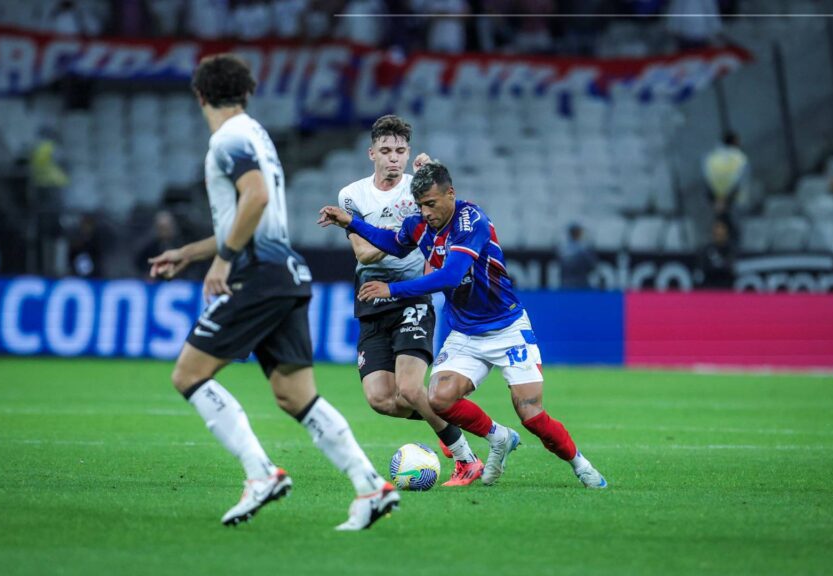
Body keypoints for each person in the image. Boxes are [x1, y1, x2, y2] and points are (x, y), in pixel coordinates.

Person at [148, 54, 397, 530]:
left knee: (188, 374)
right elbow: (253, 214)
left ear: (200, 95)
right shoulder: (257, 134)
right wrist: (193, 252)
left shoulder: (228, 137)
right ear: (246, 92)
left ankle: (260, 474)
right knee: (294, 395)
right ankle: (370, 486)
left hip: (256, 276)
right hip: (284, 273)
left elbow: (256, 196)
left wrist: (222, 261)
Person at [318, 162, 608, 489]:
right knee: (439, 398)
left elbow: (450, 276)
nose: (426, 212)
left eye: (431, 203)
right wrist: (352, 223)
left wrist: (392, 289)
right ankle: (498, 437)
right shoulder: (419, 225)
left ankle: (580, 464)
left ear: (450, 194)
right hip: (466, 333)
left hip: (507, 328)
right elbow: (394, 243)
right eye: (421, 205)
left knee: (531, 414)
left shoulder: (472, 221)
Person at [337, 115, 485, 487]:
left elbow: (448, 218)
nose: (394, 159)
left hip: (412, 296)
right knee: (381, 399)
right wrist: (402, 232)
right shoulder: (351, 195)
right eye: (385, 151)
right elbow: (363, 254)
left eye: (400, 151)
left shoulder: (419, 189)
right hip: (371, 300)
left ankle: (466, 458)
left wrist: (429, 177)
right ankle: (453, 421)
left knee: (409, 387)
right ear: (372, 153)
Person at [697, 218, 734, 289]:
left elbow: (731, 269)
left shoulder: (731, 250)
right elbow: (703, 268)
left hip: (728, 289)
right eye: (717, 228)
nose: (719, 231)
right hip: (709, 289)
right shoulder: (706, 250)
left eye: (722, 228)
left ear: (727, 233)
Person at [557, 223, 596, 289]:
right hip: (567, 283)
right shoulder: (563, 248)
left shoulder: (586, 248)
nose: (576, 234)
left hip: (582, 281)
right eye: (574, 232)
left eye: (578, 232)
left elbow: (593, 265)